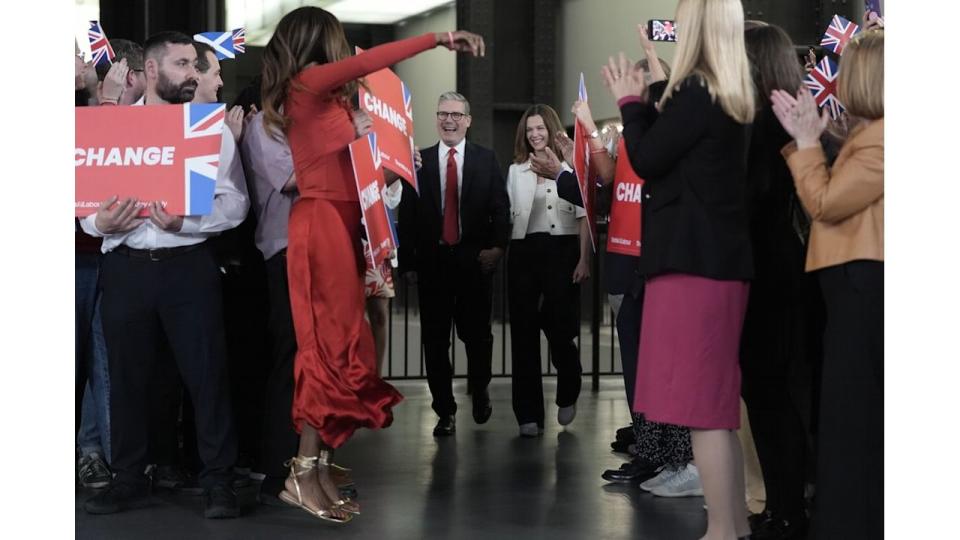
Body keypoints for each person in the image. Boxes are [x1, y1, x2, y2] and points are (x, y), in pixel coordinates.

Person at [259, 6, 486, 522]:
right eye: (338, 40)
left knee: (348, 349)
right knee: (326, 349)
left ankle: (319, 466)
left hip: (344, 225)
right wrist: (439, 38)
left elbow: (358, 175)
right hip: (319, 225)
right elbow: (376, 60)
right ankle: (301, 473)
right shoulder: (307, 83)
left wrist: (387, 155)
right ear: (320, 40)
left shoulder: (330, 101)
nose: (347, 51)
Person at [600, 0, 756, 537]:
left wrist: (628, 100)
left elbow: (645, 157)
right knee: (713, 408)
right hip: (718, 264)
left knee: (701, 410)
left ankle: (720, 531)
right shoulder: (731, 93)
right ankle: (731, 527)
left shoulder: (700, 90)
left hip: (692, 265)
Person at [81, 31, 248, 519]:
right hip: (125, 267)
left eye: (195, 64)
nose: (193, 73)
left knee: (207, 376)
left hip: (188, 268)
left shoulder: (207, 128)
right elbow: (86, 209)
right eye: (182, 64)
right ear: (151, 71)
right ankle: (128, 478)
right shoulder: (110, 128)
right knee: (126, 379)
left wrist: (188, 223)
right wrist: (98, 224)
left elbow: (236, 202)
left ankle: (219, 480)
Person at [771, 29, 884, 540]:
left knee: (852, 420)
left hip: (864, 287)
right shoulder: (875, 134)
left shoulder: (885, 139)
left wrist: (808, 143)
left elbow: (825, 201)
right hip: (857, 285)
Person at [397, 91, 511, 438]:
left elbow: (501, 209)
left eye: (456, 115)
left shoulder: (485, 159)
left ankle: (479, 389)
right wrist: (409, 265)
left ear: (468, 120)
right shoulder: (420, 161)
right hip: (433, 265)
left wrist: (497, 249)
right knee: (434, 342)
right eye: (443, 113)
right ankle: (444, 411)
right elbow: (409, 215)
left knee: (478, 338)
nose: (449, 120)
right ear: (436, 119)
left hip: (475, 263)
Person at [739, 23, 813, 540]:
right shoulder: (790, 117)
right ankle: (786, 503)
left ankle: (786, 508)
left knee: (767, 396)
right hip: (789, 267)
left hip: (766, 272)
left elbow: (753, 195)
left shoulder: (763, 124)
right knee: (779, 395)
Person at [505, 104, 589, 437]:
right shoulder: (516, 170)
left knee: (560, 330)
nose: (535, 135)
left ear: (551, 129)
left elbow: (584, 215)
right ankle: (528, 415)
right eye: (529, 130)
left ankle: (569, 386)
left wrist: (584, 260)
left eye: (540, 128)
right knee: (524, 334)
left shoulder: (571, 167)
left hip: (563, 251)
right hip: (524, 252)